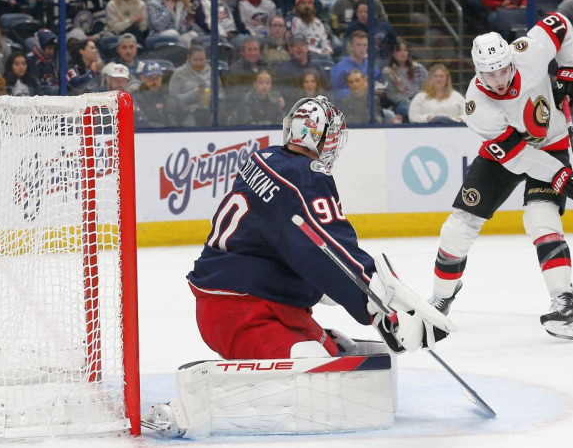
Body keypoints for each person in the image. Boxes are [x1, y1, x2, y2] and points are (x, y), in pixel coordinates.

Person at [144, 95, 450, 438]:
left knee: (339, 357)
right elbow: (328, 247)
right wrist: (379, 307)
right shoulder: (305, 176)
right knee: (310, 366)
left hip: (253, 301)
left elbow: (292, 243)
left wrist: (348, 293)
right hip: (239, 310)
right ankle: (188, 411)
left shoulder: (265, 158)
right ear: (325, 138)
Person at [428, 13, 573, 342]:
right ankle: (439, 300)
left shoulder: (529, 51)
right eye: (491, 74)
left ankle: (564, 304)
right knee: (457, 228)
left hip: (552, 142)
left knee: (541, 218)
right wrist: (565, 177)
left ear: (511, 60)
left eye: (504, 70)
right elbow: (520, 156)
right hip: (506, 155)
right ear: (479, 72)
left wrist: (570, 71)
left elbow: (560, 23)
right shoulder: (477, 106)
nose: (500, 79)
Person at [382, 38, 427, 121]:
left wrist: (418, 101)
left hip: (420, 101)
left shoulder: (419, 68)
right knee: (406, 110)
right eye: (399, 50)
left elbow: (426, 88)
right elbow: (391, 94)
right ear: (393, 53)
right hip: (402, 103)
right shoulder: (388, 71)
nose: (403, 53)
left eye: (405, 50)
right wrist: (410, 103)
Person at [275, 34, 328, 102]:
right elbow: (283, 92)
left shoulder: (317, 68)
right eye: (295, 46)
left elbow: (326, 89)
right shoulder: (284, 69)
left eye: (302, 45)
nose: (299, 48)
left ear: (307, 47)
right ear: (291, 49)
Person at [169, 44, 212, 126]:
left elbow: (221, 93)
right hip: (186, 113)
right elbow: (173, 100)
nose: (199, 63)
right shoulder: (179, 73)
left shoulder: (211, 72)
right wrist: (195, 93)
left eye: (202, 60)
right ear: (188, 58)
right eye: (196, 60)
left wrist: (211, 96)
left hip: (209, 110)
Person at [330, 31, 381, 100]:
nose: (362, 49)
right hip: (349, 105)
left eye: (365, 45)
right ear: (350, 46)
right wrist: (358, 88)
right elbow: (335, 94)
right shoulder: (339, 68)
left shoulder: (371, 66)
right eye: (358, 45)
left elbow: (379, 84)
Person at [134, 60, 182, 127]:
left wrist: (187, 128)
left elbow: (185, 114)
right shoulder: (136, 98)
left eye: (157, 78)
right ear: (143, 78)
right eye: (150, 78)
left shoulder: (170, 94)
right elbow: (138, 121)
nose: (154, 82)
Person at [26, 29, 59, 95]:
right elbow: (35, 85)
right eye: (49, 48)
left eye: (53, 48)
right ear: (40, 46)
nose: (52, 52)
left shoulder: (50, 61)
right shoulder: (30, 60)